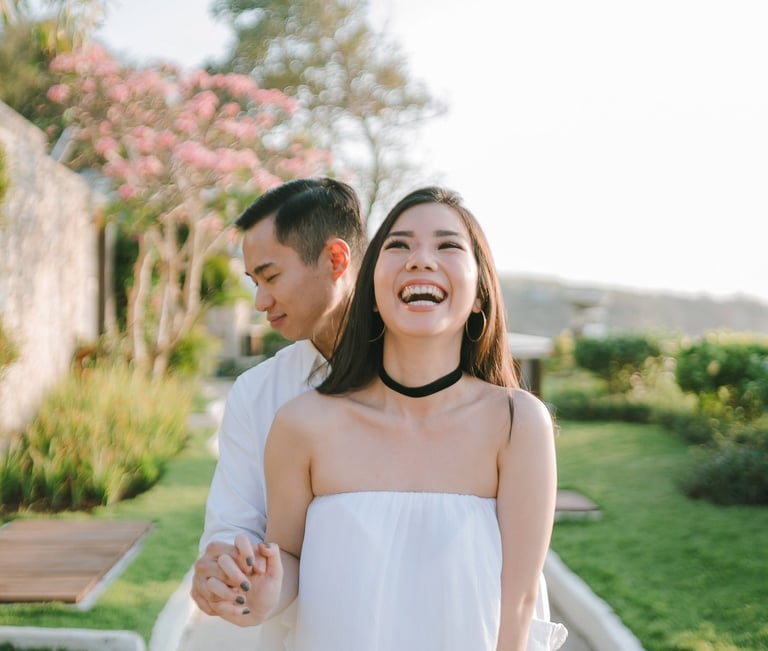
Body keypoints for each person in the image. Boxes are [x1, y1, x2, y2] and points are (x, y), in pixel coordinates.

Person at [216, 187, 568, 650]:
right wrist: (257, 592)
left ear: (481, 295)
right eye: (399, 245)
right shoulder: (302, 423)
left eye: (448, 245)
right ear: (373, 293)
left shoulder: (517, 423)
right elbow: (287, 561)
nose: (421, 259)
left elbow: (519, 604)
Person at [190, 177, 367, 641]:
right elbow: (232, 525)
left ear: (335, 260)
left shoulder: (423, 374)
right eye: (255, 282)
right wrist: (224, 569)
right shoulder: (257, 393)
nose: (260, 301)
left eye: (270, 277)